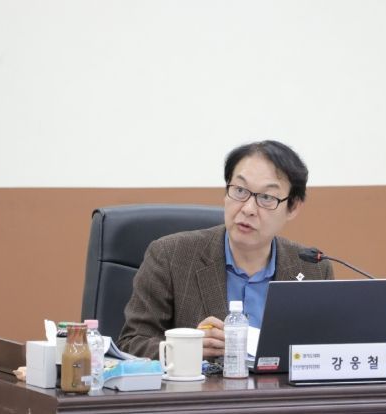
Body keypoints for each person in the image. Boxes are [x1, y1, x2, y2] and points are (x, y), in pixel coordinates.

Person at [117, 140, 333, 359]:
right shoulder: (171, 256)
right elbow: (131, 343)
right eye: (239, 190)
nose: (248, 209)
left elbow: (328, 351)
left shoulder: (313, 269)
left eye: (267, 197)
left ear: (293, 207)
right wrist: (185, 349)